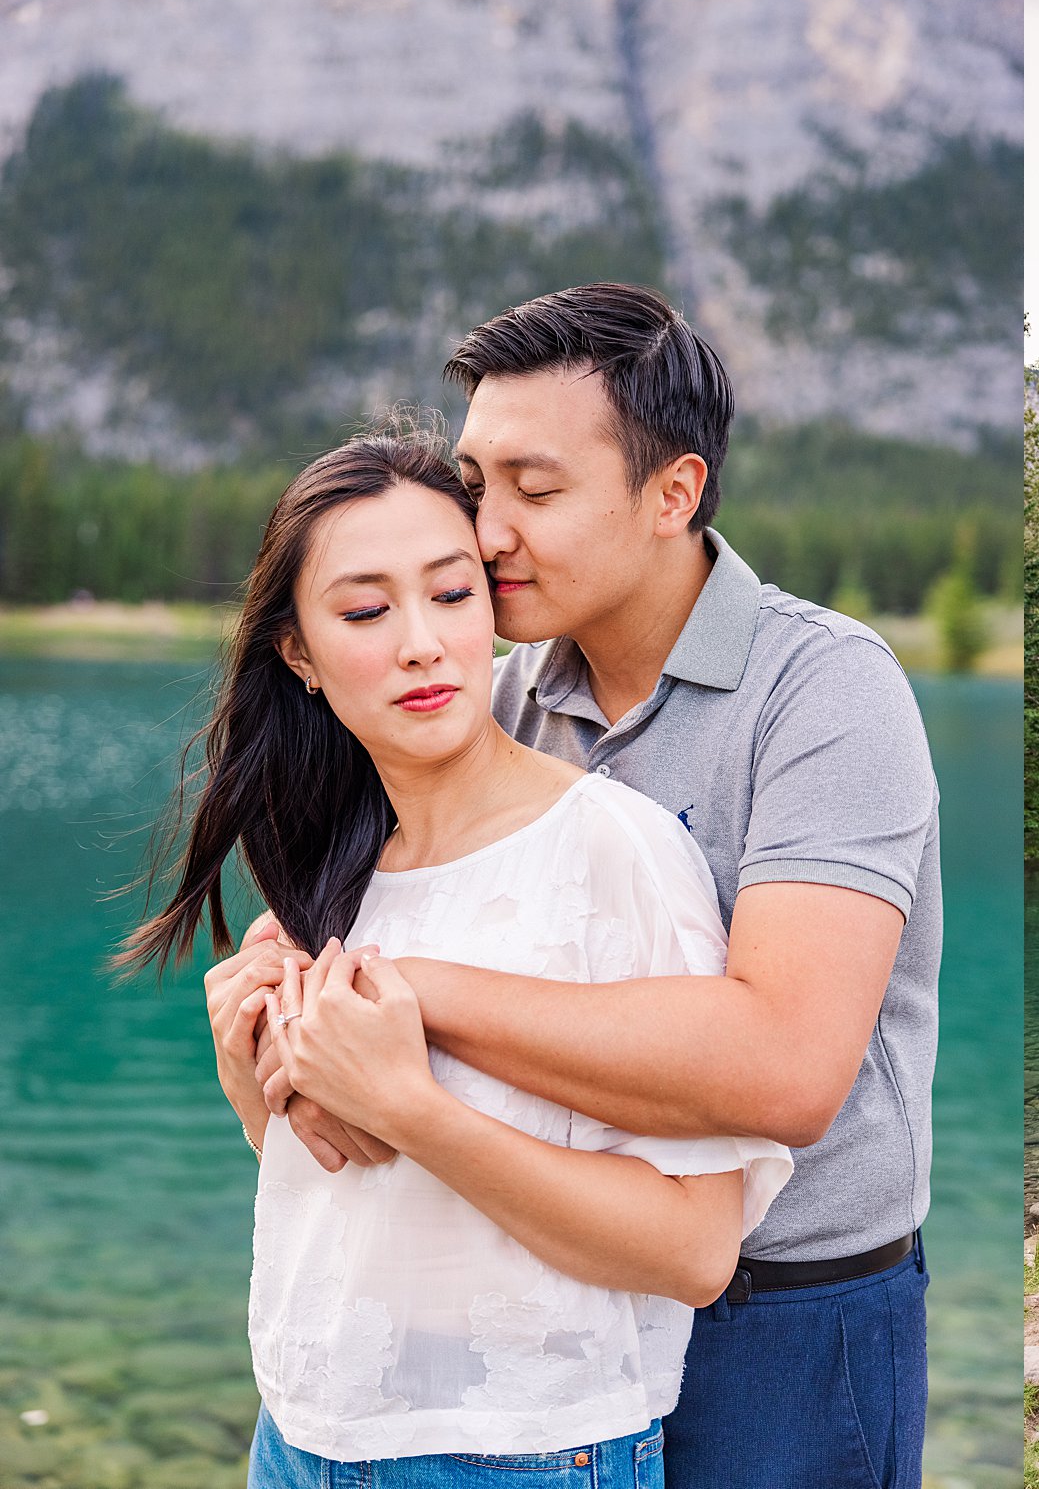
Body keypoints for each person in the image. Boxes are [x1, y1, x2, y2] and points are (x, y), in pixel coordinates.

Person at [250, 285, 942, 1488]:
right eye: (475, 485)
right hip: (560, 1302)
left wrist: (408, 991)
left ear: (671, 493)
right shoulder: (496, 696)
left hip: (785, 1315)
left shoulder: (823, 689)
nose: (488, 529)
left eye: (537, 487)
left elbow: (786, 1067)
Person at [128, 429, 791, 1483]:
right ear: (295, 651)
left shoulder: (610, 850)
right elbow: (368, 1204)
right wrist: (254, 1085)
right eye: (362, 611)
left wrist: (415, 1108)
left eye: (451, 595)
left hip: (525, 1447)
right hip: (303, 1434)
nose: (422, 643)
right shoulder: (330, 864)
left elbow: (694, 1251)